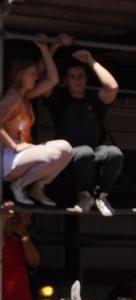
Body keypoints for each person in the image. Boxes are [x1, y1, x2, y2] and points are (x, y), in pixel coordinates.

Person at [0, 36, 73, 207]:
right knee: (53, 154)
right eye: (32, 74)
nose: (36, 77)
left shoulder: (25, 95)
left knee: (66, 149)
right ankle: (18, 186)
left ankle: (37, 188)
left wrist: (47, 50)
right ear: (20, 75)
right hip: (9, 158)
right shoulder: (13, 97)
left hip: (22, 155)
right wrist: (14, 146)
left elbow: (52, 79)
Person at [46, 48, 121, 216]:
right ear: (65, 80)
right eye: (72, 77)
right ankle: (84, 195)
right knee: (85, 152)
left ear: (86, 79)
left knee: (114, 153)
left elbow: (113, 87)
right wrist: (49, 49)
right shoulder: (60, 98)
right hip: (68, 160)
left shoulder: (94, 99)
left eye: (80, 76)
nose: (77, 81)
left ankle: (101, 196)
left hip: (93, 156)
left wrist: (91, 61)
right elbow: (49, 80)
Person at [2, 205, 39, 300]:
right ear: (14, 218)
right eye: (27, 217)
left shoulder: (25, 239)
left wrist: (24, 236)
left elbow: (34, 262)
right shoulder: (2, 238)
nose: (29, 222)